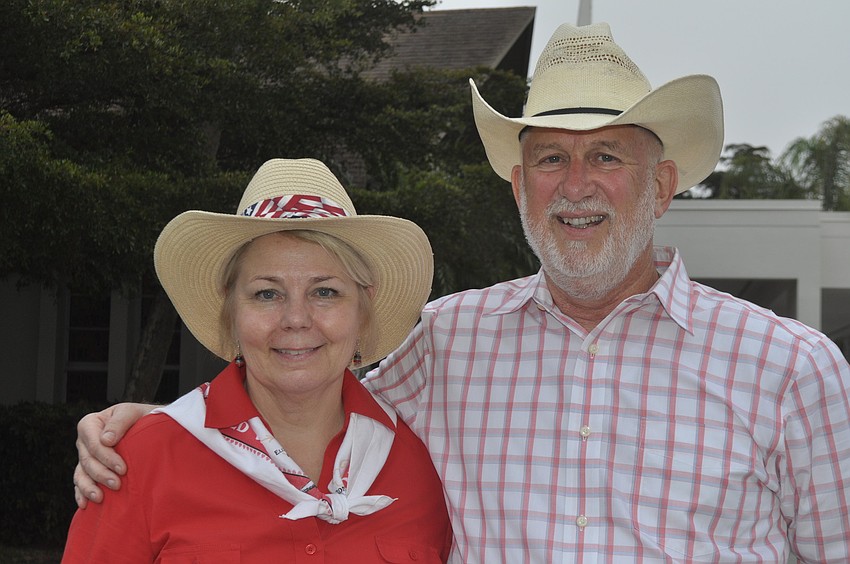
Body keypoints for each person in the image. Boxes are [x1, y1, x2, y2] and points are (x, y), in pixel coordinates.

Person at [73, 23, 850, 562]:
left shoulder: (792, 370)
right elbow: (305, 387)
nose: (576, 186)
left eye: (607, 156)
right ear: (518, 184)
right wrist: (160, 428)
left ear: (664, 185)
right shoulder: (447, 341)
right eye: (550, 159)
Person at [63, 158, 452, 562]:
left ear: (362, 309)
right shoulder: (139, 460)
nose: (296, 319)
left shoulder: (422, 470)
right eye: (267, 294)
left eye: (325, 292)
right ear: (231, 308)